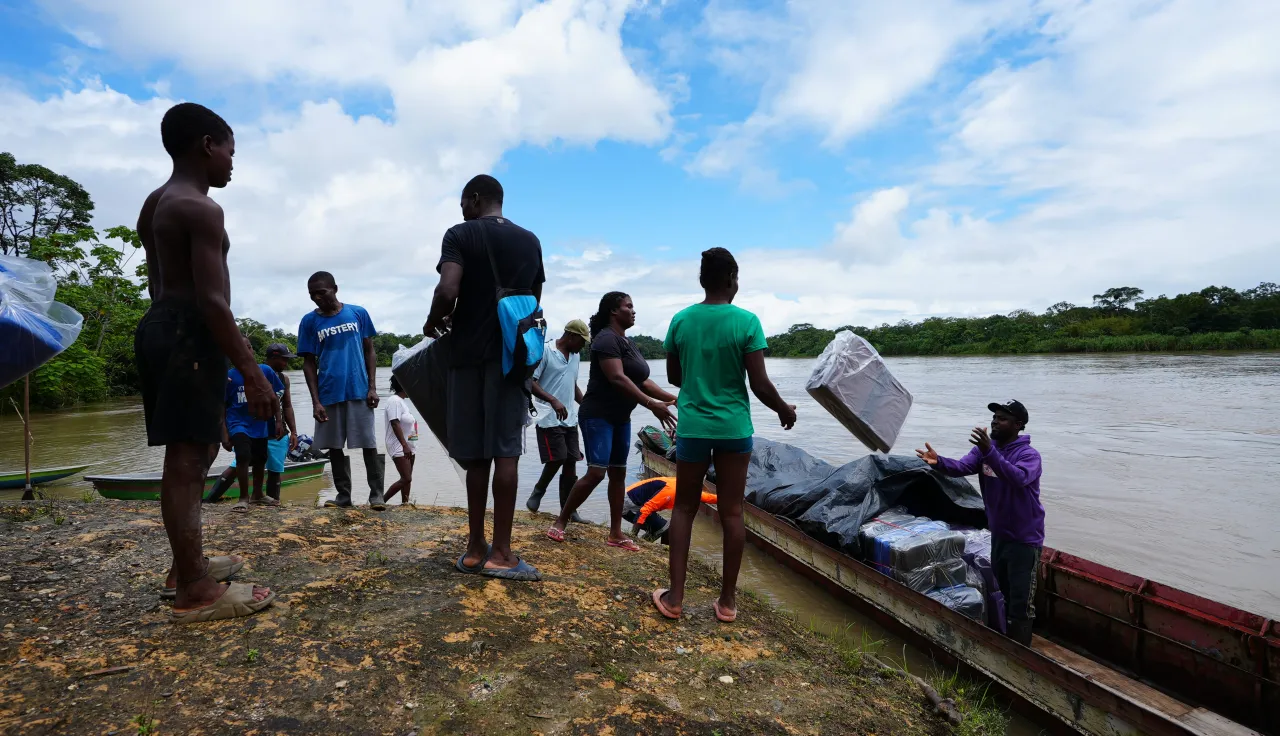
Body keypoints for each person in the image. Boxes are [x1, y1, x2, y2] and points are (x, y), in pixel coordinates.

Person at [134, 102, 276, 622]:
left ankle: (184, 565)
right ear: (207, 145)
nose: (233, 164)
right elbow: (212, 301)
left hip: (164, 327)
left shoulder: (156, 203)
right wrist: (252, 373)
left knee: (195, 450)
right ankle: (194, 588)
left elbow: (159, 278)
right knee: (189, 460)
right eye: (231, 151)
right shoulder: (200, 208)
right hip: (188, 333)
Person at [652, 248, 796, 623]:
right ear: (733, 279)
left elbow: (673, 377)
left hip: (695, 427)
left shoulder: (681, 321)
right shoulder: (747, 322)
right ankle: (728, 603)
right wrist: (784, 409)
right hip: (734, 428)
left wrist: (701, 378)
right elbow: (760, 384)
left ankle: (675, 599)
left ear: (702, 280)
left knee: (683, 508)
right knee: (732, 512)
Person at [423, 174, 544, 581]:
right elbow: (534, 301)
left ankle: (475, 549)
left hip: (464, 358)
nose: (461, 211)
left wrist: (431, 323)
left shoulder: (459, 234)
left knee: (476, 456)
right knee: (505, 453)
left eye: (462, 202)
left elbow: (447, 290)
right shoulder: (530, 240)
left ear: (474, 199)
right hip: (510, 360)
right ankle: (503, 553)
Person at [547, 292, 678, 551]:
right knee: (597, 471)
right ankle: (561, 521)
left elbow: (642, 381)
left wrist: (673, 399)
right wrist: (651, 404)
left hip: (621, 417)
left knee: (618, 474)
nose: (633, 310)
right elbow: (617, 378)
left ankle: (616, 533)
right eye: (628, 306)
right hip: (598, 415)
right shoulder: (605, 339)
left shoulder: (627, 343)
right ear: (614, 312)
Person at [916, 400, 1044, 646]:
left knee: (1021, 603)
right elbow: (962, 466)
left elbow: (1017, 478)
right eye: (994, 417)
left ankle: (1021, 655)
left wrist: (989, 452)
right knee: (1006, 593)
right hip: (999, 535)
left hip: (1024, 540)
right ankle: (1008, 644)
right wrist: (939, 461)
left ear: (1019, 425)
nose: (995, 421)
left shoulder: (1029, 456)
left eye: (1003, 418)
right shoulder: (985, 450)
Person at [298, 272, 386, 510]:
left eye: (321, 292)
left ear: (335, 289)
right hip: (328, 394)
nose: (317, 298)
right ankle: (343, 496)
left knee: (369, 442)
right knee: (333, 446)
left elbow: (370, 350)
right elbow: (308, 363)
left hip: (359, 390)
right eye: (312, 294)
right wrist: (316, 401)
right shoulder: (309, 321)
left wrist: (372, 387)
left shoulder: (358, 313)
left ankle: (377, 495)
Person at [525, 319, 589, 521]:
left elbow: (573, 384)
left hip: (570, 418)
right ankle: (539, 490)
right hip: (548, 416)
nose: (583, 346)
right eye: (582, 341)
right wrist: (553, 400)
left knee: (572, 460)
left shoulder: (576, 357)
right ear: (571, 336)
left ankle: (568, 510)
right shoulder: (545, 351)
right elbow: (530, 382)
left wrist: (585, 404)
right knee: (558, 457)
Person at [222, 336, 286, 513]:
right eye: (242, 349)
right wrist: (224, 433)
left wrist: (279, 421)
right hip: (237, 422)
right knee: (243, 455)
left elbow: (276, 396)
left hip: (260, 423)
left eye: (249, 347)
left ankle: (258, 493)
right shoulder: (229, 377)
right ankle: (244, 497)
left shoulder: (265, 371)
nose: (247, 351)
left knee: (260, 458)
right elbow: (222, 406)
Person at [621, 476, 717, 542]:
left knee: (665, 527)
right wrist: (634, 535)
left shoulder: (688, 488)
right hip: (627, 503)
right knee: (664, 527)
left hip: (639, 503)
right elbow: (645, 510)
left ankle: (645, 544)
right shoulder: (671, 491)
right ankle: (636, 542)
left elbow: (709, 497)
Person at [262, 343, 300, 500]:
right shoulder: (257, 374)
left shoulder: (284, 379)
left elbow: (288, 406)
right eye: (284, 360)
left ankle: (273, 503)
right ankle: (208, 501)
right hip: (257, 430)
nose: (286, 363)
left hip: (278, 432)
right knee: (238, 466)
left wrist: (293, 432)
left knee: (275, 470)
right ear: (273, 358)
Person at [383, 375, 418, 504]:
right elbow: (395, 423)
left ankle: (405, 503)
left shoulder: (403, 402)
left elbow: (410, 426)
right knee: (406, 478)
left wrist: (412, 445)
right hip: (398, 445)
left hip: (409, 445)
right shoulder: (394, 401)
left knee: (408, 478)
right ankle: (381, 501)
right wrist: (404, 445)